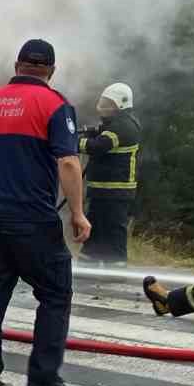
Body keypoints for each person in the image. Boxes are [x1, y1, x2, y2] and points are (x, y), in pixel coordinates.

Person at [0, 38, 91, 386]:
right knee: (54, 294)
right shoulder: (54, 104)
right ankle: (44, 380)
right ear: (50, 70)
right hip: (32, 221)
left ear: (17, 65)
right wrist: (78, 213)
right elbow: (67, 162)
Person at [78, 82, 141, 265]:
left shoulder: (123, 127)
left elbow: (98, 146)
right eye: (104, 102)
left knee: (114, 227)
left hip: (117, 189)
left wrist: (74, 143)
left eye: (109, 104)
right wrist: (89, 131)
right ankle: (89, 260)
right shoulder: (115, 124)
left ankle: (116, 264)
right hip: (103, 188)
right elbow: (100, 134)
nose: (103, 107)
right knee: (96, 225)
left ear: (121, 105)